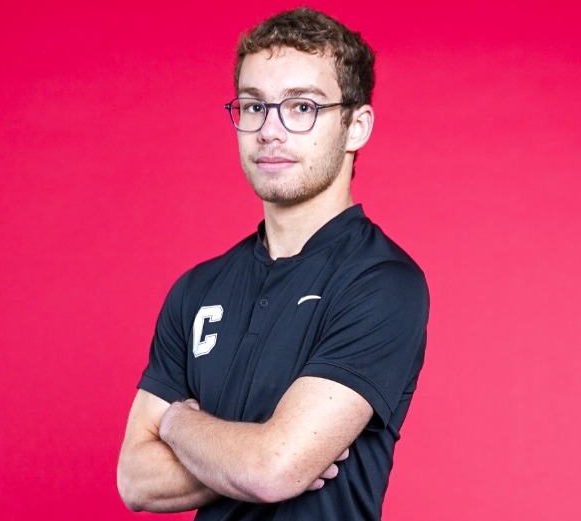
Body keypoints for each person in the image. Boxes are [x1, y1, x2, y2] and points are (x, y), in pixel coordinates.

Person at [117, 7, 429, 520]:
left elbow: (274, 469)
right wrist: (260, 454)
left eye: (302, 107)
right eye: (253, 106)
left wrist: (176, 425)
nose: (270, 130)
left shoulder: (381, 283)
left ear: (356, 126)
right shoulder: (196, 290)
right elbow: (135, 479)